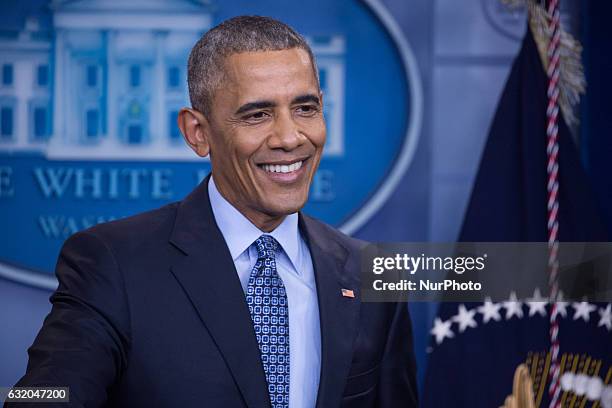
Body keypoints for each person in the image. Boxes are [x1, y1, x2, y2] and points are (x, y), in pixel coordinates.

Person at [8, 16, 418, 408]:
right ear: (198, 133)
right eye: (257, 114)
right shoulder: (112, 263)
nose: (290, 137)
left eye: (305, 109)